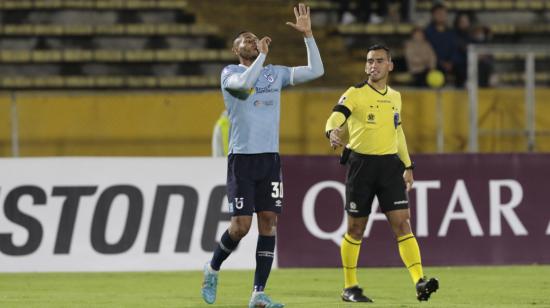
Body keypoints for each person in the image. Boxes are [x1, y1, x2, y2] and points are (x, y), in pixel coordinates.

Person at [201, 3, 324, 308]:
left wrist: (308, 36)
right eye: (245, 39)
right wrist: (264, 57)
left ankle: (258, 294)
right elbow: (244, 85)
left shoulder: (275, 75)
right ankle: (212, 267)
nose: (252, 41)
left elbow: (317, 70)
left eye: (255, 38)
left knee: (269, 222)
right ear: (235, 49)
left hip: (269, 159)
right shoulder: (230, 73)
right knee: (241, 227)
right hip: (242, 160)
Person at [324, 44, 439, 303]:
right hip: (361, 166)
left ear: (390, 65)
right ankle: (349, 287)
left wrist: (408, 165)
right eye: (369, 61)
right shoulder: (355, 93)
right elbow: (336, 116)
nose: (372, 65)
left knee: (403, 224)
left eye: (378, 61)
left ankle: (419, 281)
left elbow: (397, 132)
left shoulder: (395, 97)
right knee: (355, 229)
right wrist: (331, 131)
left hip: (389, 167)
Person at [424, 3, 455, 84]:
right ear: (433, 15)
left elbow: (454, 49)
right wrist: (440, 62)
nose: (441, 15)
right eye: (438, 13)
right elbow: (426, 52)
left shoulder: (451, 32)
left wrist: (451, 62)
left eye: (443, 13)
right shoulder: (427, 32)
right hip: (434, 64)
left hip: (451, 64)